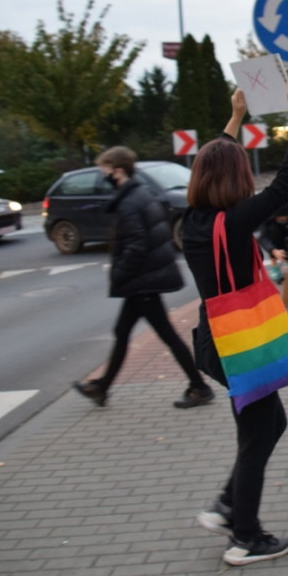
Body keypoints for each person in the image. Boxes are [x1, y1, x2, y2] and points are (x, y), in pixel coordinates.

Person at [182, 81, 288, 566]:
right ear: (236, 178)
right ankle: (246, 536)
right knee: (258, 435)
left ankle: (229, 504)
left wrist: (234, 117)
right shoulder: (235, 222)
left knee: (269, 422)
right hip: (239, 342)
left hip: (214, 339)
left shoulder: (192, 220)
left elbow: (213, 161)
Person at [73, 146, 213, 410]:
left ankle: (200, 387)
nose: (103, 177)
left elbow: (137, 244)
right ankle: (101, 388)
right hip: (146, 279)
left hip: (142, 281)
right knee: (124, 332)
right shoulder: (141, 193)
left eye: (105, 171)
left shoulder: (129, 202)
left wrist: (120, 273)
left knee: (166, 335)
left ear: (117, 171)